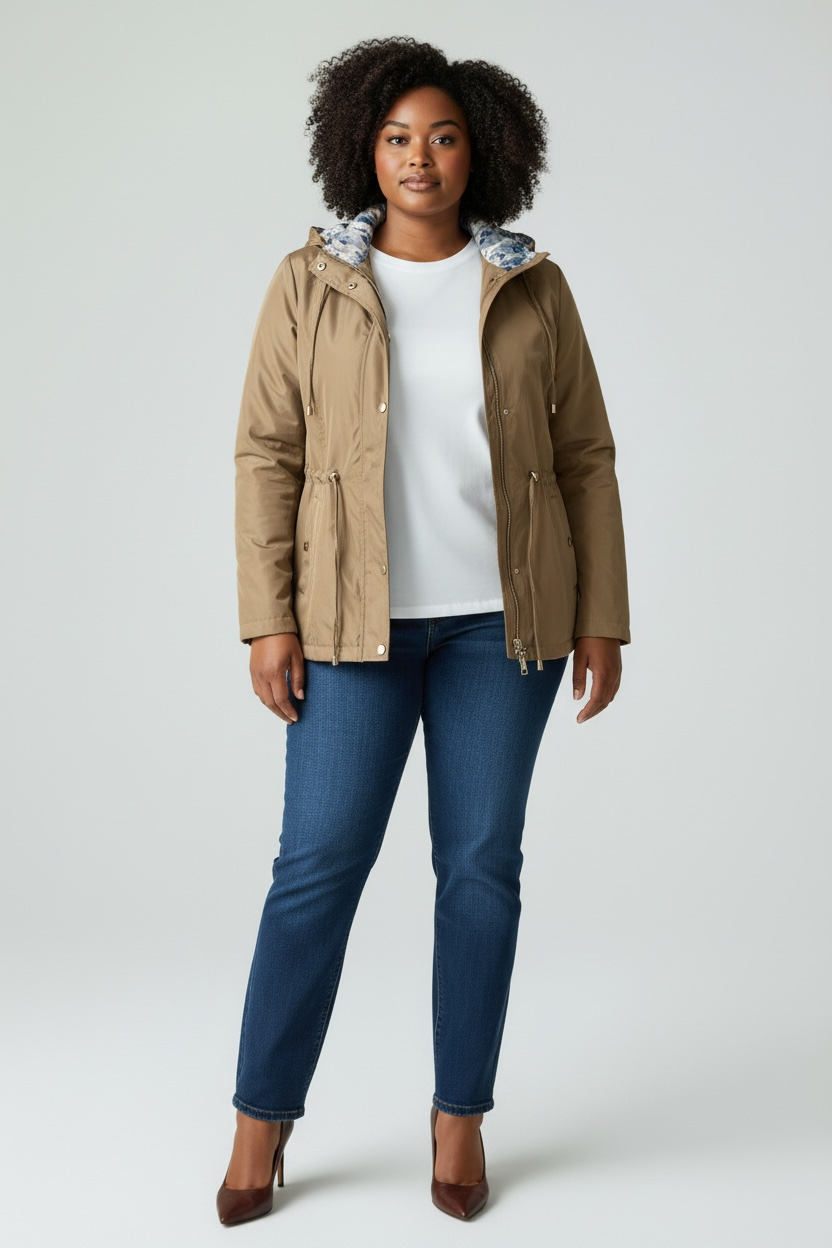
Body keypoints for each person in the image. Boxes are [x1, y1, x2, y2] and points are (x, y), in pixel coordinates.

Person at [217, 35, 630, 1226]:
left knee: (481, 870)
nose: (419, 157)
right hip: (349, 629)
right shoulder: (309, 283)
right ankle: (260, 1121)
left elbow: (585, 457)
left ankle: (459, 1118)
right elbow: (267, 453)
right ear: (362, 147)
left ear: (480, 151)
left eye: (443, 137)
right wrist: (267, 619)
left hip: (506, 628)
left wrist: (600, 616)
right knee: (315, 869)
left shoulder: (532, 286)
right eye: (398, 137)